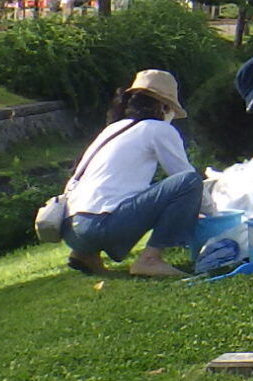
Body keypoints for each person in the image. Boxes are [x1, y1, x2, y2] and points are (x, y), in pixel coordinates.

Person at [59, 70, 200, 278]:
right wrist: (213, 210)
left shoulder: (112, 130)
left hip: (70, 230)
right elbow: (184, 176)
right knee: (189, 182)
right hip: (100, 227)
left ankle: (84, 254)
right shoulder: (158, 129)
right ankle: (150, 259)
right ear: (164, 107)